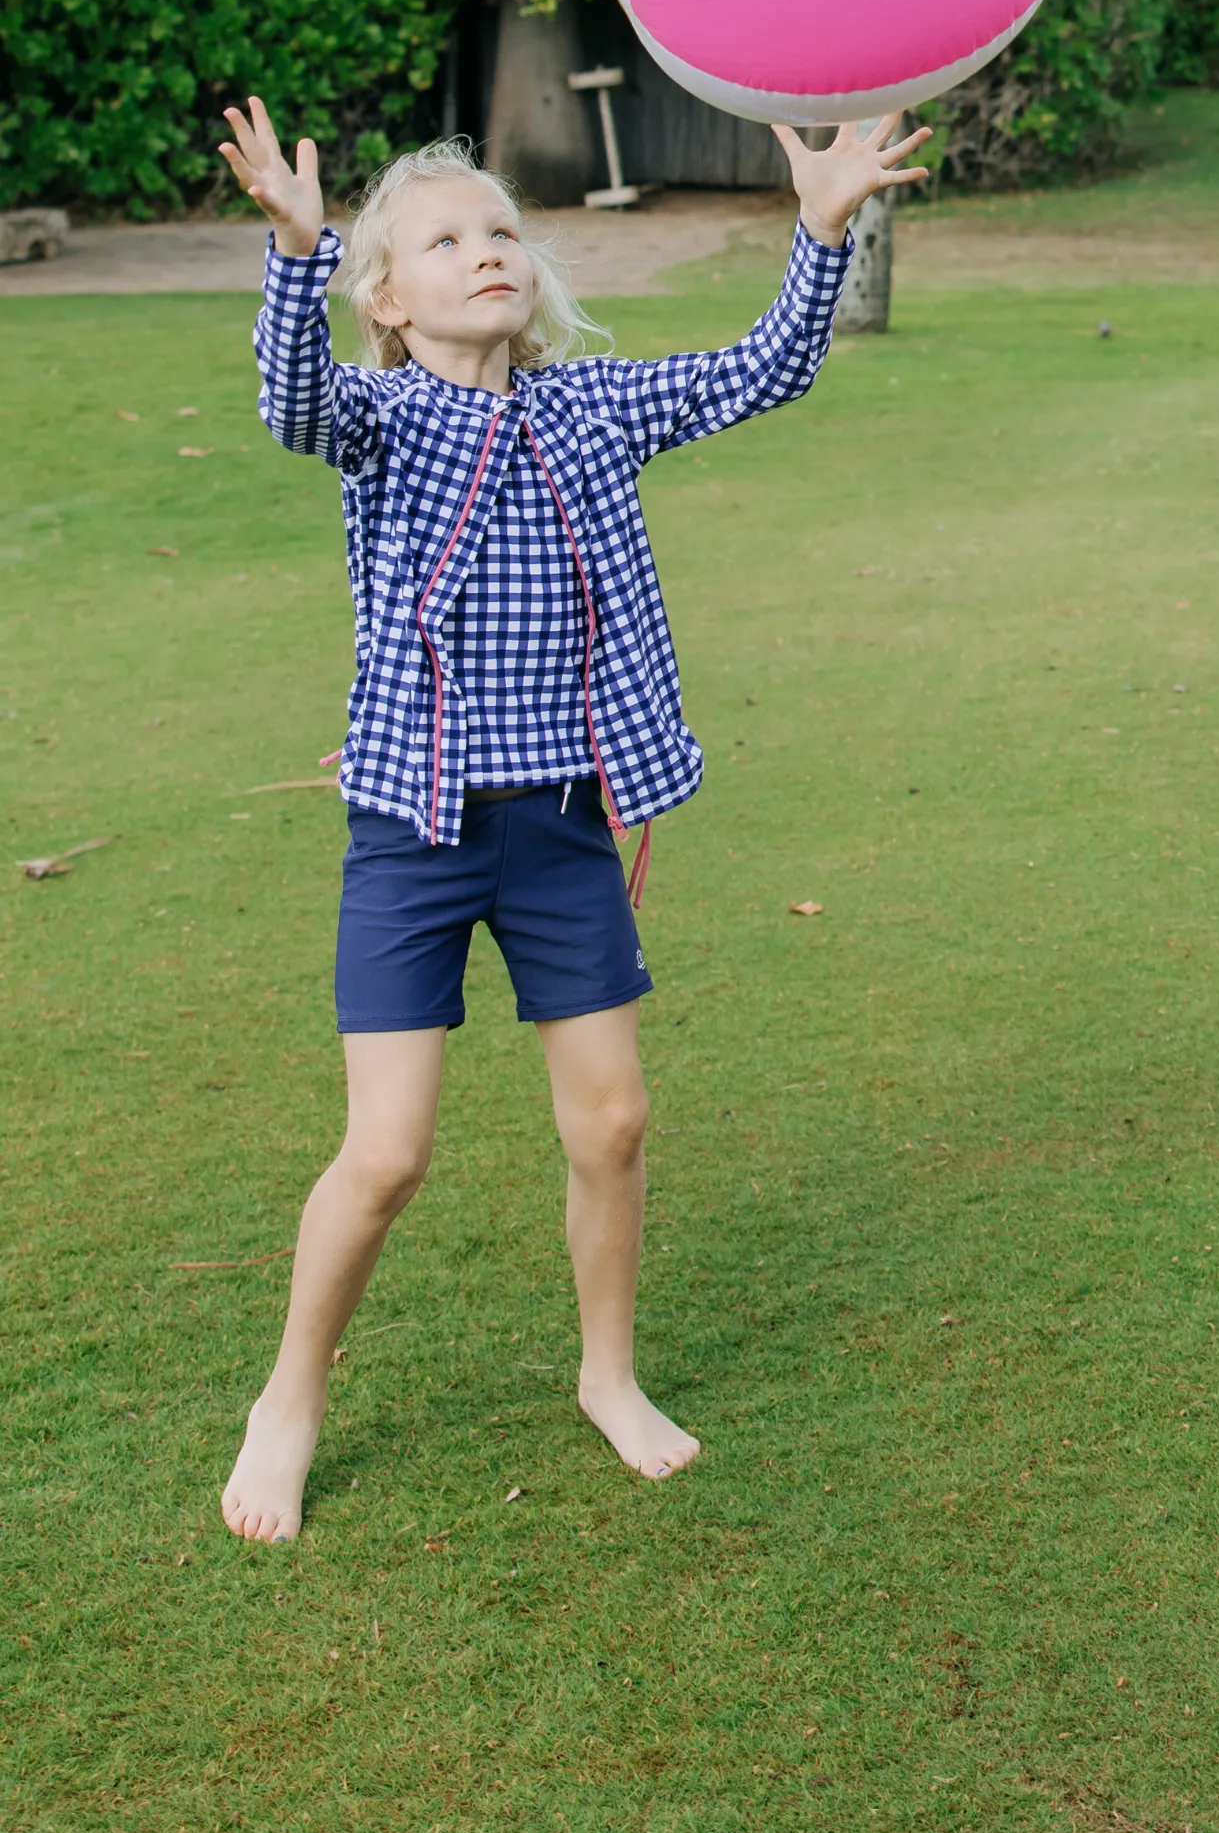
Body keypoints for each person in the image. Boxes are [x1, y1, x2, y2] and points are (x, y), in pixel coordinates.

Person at [211, 101, 925, 1545]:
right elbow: (294, 403)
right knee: (390, 1152)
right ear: (390, 301)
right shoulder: (382, 419)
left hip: (559, 828)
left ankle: (609, 1375)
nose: (487, 252)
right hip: (412, 835)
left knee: (614, 1120)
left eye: (501, 231)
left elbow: (764, 369)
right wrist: (298, 251)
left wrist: (823, 224)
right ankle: (289, 1395)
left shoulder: (589, 409)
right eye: (444, 240)